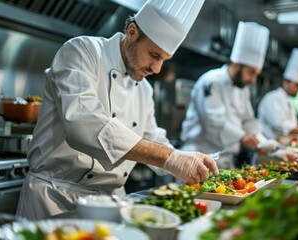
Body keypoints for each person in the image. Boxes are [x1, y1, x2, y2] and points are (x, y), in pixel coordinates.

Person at [16, 0, 218, 220]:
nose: (156, 69)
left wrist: (183, 158)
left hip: (112, 203)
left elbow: (152, 137)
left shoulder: (144, 90)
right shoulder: (82, 51)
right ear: (132, 32)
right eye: (154, 55)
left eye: (164, 60)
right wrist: (170, 157)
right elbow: (84, 124)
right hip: (55, 199)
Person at [180, 22, 298, 169]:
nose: (254, 80)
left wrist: (266, 144)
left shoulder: (242, 89)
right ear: (236, 64)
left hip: (225, 160)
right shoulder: (211, 81)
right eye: (251, 73)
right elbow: (213, 122)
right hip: (197, 159)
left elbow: (248, 121)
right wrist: (242, 137)